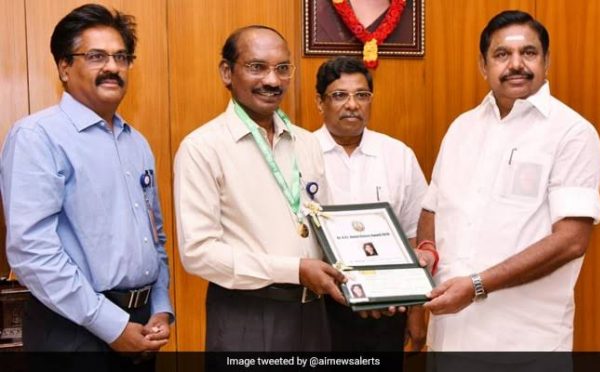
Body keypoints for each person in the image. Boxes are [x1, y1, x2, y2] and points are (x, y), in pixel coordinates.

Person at [0, 4, 173, 369]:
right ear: (64, 67)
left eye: (121, 57)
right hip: (72, 332)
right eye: (96, 56)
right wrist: (111, 326)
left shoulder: (136, 142)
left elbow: (154, 238)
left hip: (139, 325)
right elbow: (32, 252)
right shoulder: (38, 136)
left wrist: (161, 308)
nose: (112, 67)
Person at [420, 10, 600, 352]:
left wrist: (476, 285)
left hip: (524, 342)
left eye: (528, 53)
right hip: (449, 335)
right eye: (502, 54)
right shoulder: (462, 128)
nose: (516, 64)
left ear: (546, 61)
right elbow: (432, 207)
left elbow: (571, 241)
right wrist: (427, 252)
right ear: (483, 64)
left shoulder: (572, 133)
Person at [173, 25, 346, 352]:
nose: (272, 80)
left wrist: (372, 282)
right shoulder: (203, 148)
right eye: (257, 67)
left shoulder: (306, 143)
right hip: (247, 316)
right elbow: (198, 253)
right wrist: (293, 270)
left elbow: (327, 228)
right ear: (227, 72)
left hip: (314, 314)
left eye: (282, 69)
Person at [313, 56, 429, 352]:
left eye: (361, 95)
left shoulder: (398, 155)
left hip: (388, 308)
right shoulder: (301, 154)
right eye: (339, 95)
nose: (352, 105)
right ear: (319, 102)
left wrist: (417, 311)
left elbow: (415, 235)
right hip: (319, 307)